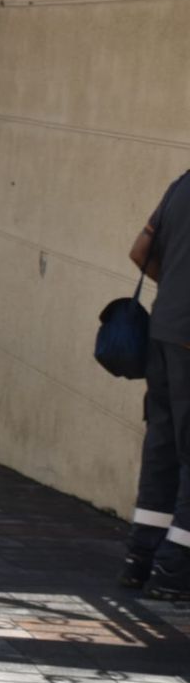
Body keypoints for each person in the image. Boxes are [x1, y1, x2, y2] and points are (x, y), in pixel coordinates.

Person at [121, 168, 190, 598]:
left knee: (163, 444)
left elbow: (139, 249)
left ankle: (140, 558)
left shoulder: (182, 184)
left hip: (163, 331)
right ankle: (175, 571)